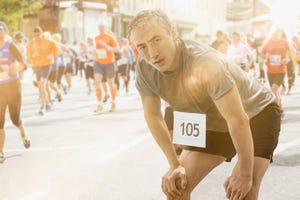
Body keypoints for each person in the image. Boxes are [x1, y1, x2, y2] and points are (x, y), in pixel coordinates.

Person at [127, 10, 281, 200]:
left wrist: (245, 174)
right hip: (212, 121)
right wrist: (174, 164)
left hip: (256, 115)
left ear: (173, 33)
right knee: (176, 188)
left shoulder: (205, 63)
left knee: (243, 193)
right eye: (142, 46)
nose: (152, 53)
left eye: (157, 40)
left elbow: (238, 119)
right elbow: (152, 115)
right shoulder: (144, 68)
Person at [0, 21, 30, 163]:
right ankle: (0, 152)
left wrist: (15, 67)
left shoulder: (10, 46)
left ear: (5, 31)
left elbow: (24, 65)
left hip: (12, 87)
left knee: (14, 119)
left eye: (0, 30)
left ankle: (23, 132)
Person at [26, 26, 60, 115]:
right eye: (35, 35)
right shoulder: (31, 43)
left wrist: (52, 54)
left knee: (42, 82)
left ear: (41, 33)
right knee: (41, 85)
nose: (37, 36)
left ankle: (43, 106)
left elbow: (57, 51)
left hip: (47, 64)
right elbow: (28, 56)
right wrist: (32, 56)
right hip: (37, 65)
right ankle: (47, 103)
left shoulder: (48, 41)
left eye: (38, 34)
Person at [93, 22, 119, 113]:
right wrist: (94, 52)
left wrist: (107, 47)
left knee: (111, 83)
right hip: (98, 62)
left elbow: (117, 49)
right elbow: (95, 49)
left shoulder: (110, 38)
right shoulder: (96, 38)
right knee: (97, 82)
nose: (101, 29)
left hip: (109, 63)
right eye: (99, 27)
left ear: (105, 28)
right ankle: (99, 104)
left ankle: (113, 102)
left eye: (102, 27)